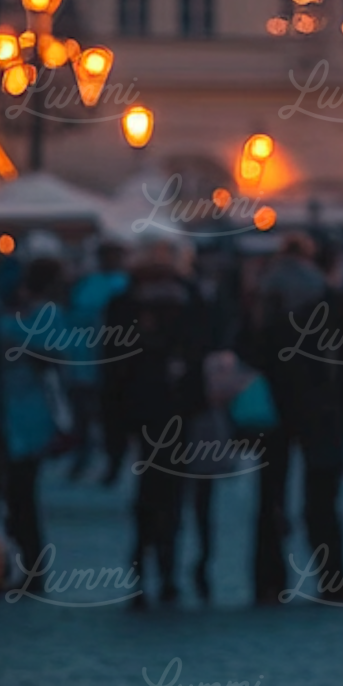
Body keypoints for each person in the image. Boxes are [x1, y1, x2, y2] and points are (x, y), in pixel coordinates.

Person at [240, 232, 343, 603]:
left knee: (269, 494)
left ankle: (267, 580)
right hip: (317, 402)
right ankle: (332, 578)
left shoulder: (262, 292)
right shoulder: (323, 292)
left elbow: (245, 349)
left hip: (271, 402)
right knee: (321, 498)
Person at [101, 237, 211, 603]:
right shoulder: (189, 300)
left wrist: (114, 421)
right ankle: (166, 570)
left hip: (141, 410)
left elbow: (111, 364)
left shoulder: (125, 302)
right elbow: (203, 353)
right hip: (176, 410)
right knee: (173, 495)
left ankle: (143, 568)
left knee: (149, 492)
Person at [0, 252, 72, 584]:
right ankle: (0, 562)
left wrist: (22, 345)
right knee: (0, 496)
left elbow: (59, 355)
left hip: (29, 420)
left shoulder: (46, 314)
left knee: (22, 496)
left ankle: (32, 567)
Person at [65, 237, 129, 480]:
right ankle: (82, 456)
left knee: (110, 415)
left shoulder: (125, 284)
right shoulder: (88, 284)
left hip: (111, 364)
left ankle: (112, 462)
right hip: (83, 360)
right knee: (82, 413)